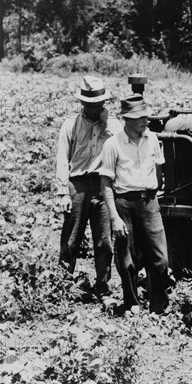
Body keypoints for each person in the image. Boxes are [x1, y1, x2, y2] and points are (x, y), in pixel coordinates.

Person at [100, 94, 170, 314]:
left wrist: (152, 195)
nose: (145, 121)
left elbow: (159, 170)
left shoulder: (152, 139)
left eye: (145, 117)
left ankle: (159, 305)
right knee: (127, 258)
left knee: (160, 258)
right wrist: (114, 216)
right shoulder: (113, 144)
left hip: (149, 202)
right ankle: (132, 303)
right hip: (124, 204)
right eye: (139, 117)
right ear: (126, 120)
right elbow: (106, 183)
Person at [55, 75, 122, 297]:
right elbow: (62, 160)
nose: (94, 108)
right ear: (82, 103)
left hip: (103, 186)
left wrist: (106, 126)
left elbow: (122, 154)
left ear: (104, 102)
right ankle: (62, 284)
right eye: (90, 104)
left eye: (98, 104)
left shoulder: (113, 126)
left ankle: (102, 286)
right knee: (71, 238)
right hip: (77, 185)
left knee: (104, 239)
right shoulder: (70, 124)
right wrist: (63, 192)